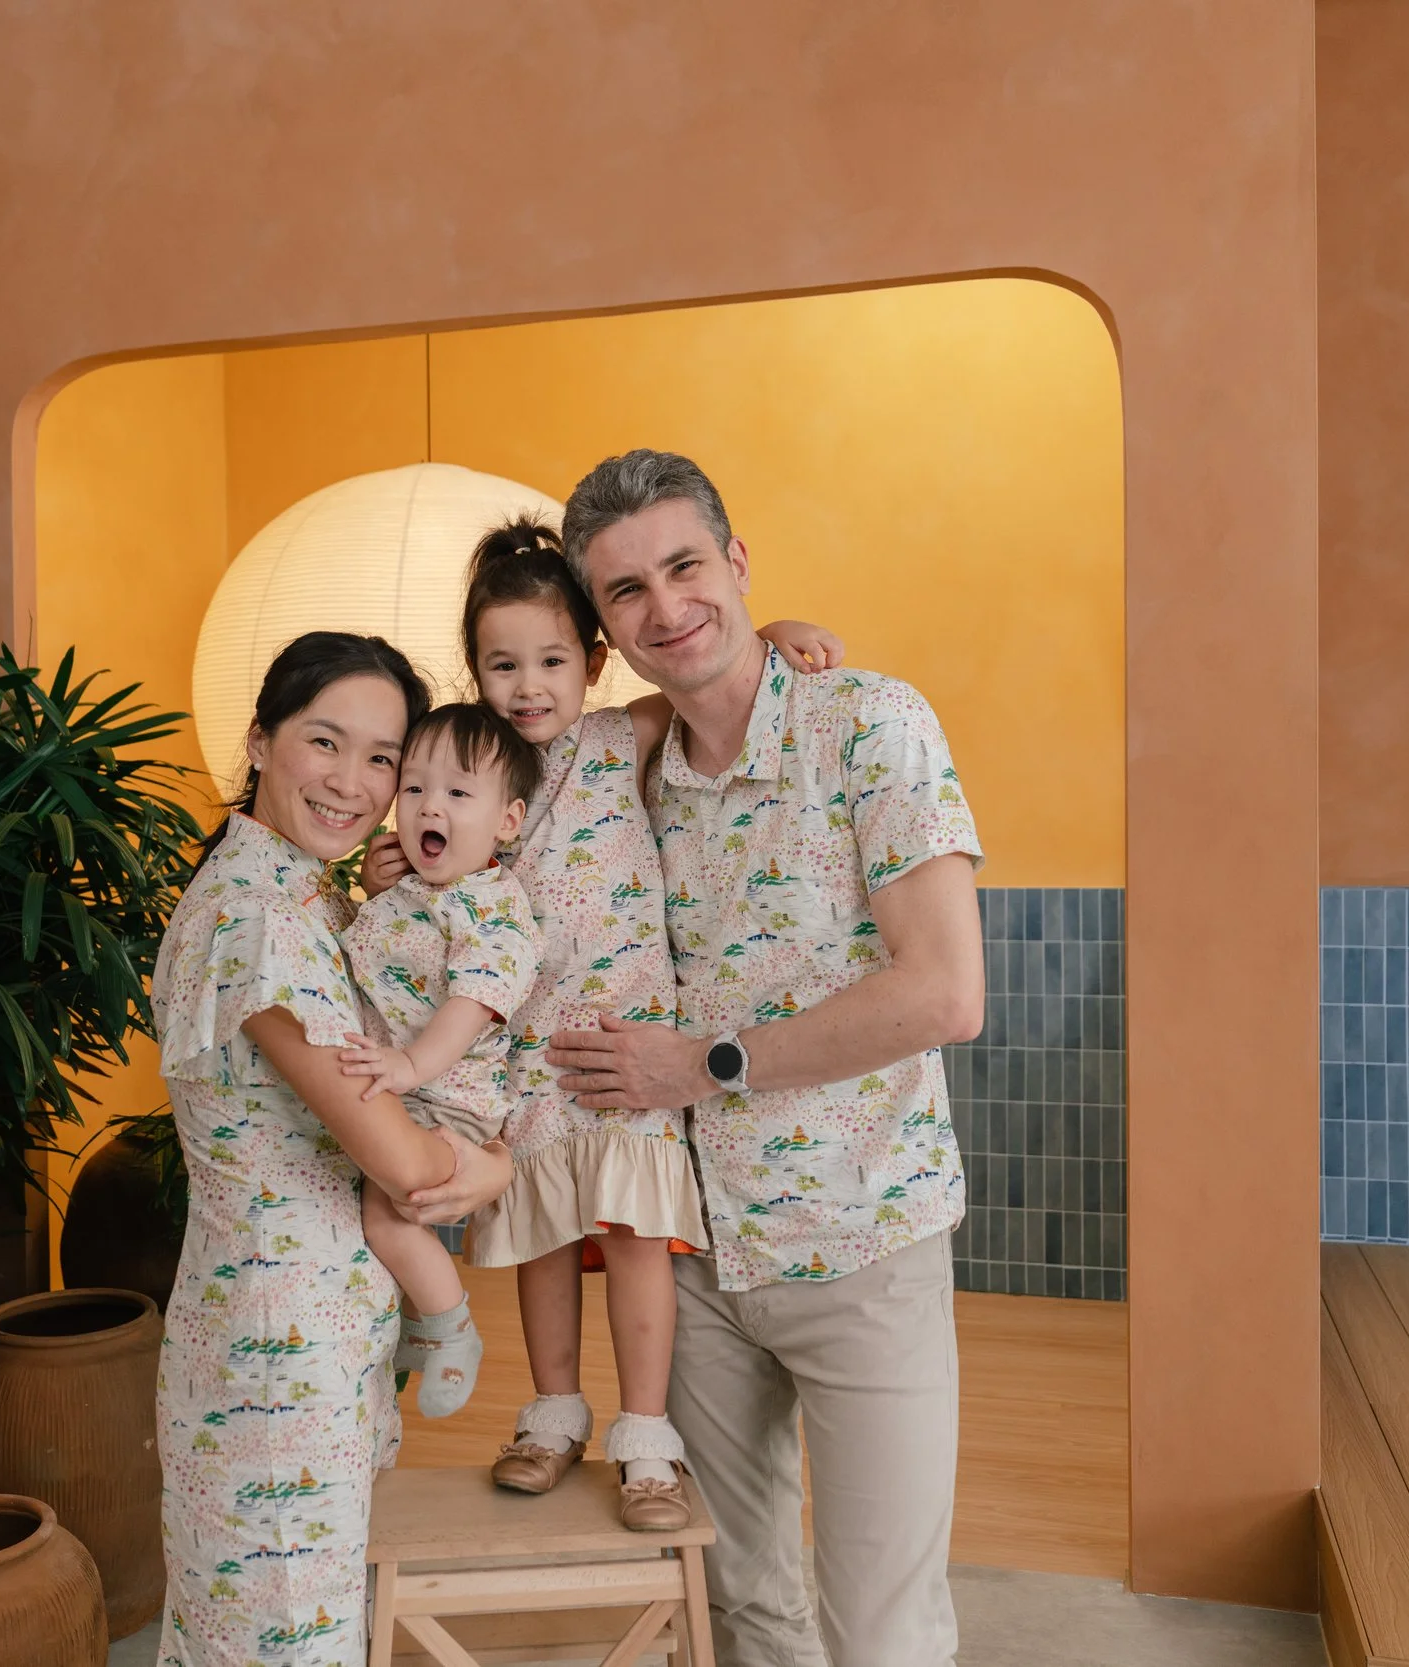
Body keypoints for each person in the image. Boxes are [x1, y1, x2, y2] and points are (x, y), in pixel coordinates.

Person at [545, 451, 987, 1666]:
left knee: (882, 1626)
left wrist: (702, 1063)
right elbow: (464, 773)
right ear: (602, 624)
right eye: (625, 590)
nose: (665, 606)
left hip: (862, 1239)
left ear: (738, 563)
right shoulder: (612, 768)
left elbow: (945, 992)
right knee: (739, 1605)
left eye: (686, 565)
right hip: (689, 1257)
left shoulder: (869, 723)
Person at [356, 519, 842, 1532]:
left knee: (633, 1238)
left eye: (549, 660)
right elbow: (414, 857)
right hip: (523, 1062)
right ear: (475, 669)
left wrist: (780, 624)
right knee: (540, 1238)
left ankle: (648, 1438)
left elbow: (715, 681)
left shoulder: (622, 734)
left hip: (627, 1053)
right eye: (501, 664)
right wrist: (390, 863)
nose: (527, 685)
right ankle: (551, 1414)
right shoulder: (466, 769)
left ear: (592, 660)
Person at [149, 632, 516, 1667]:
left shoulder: (306, 898)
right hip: (276, 1355)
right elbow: (401, 1160)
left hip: (310, 1330)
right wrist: (497, 1166)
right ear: (260, 739)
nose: (352, 783)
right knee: (278, 1641)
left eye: (381, 758)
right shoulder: (262, 918)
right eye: (325, 741)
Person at [337, 702, 545, 1420]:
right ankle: (419, 1325)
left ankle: (451, 1327)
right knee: (383, 1216)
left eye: (459, 793)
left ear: (507, 821)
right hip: (405, 1081)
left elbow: (472, 1003)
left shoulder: (492, 909)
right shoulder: (416, 893)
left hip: (443, 1090)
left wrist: (409, 1066)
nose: (431, 806)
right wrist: (372, 887)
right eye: (416, 788)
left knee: (389, 1214)